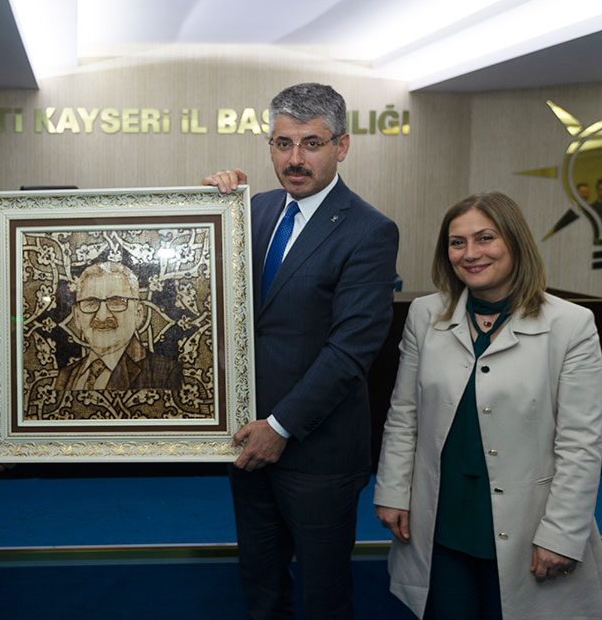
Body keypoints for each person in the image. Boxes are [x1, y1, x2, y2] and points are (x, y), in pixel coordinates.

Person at [203, 82, 399, 618]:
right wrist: (202, 210)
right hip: (247, 445)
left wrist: (281, 426)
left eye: (312, 143)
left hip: (318, 455)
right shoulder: (251, 211)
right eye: (283, 143)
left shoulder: (370, 231)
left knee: (324, 597)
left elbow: (350, 350)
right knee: (261, 588)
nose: (295, 159)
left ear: (342, 146)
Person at [374, 192, 602, 619]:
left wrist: (561, 534)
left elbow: (581, 444)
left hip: (528, 529)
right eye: (457, 242)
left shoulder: (570, 326)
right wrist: (392, 491)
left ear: (515, 242)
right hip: (440, 523)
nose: (470, 254)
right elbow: (404, 415)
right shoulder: (425, 315)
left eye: (485, 238)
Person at [54, 261, 182, 392]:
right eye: (91, 303)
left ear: (138, 313)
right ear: (77, 316)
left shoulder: (166, 374)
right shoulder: (66, 376)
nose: (102, 316)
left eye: (116, 302)